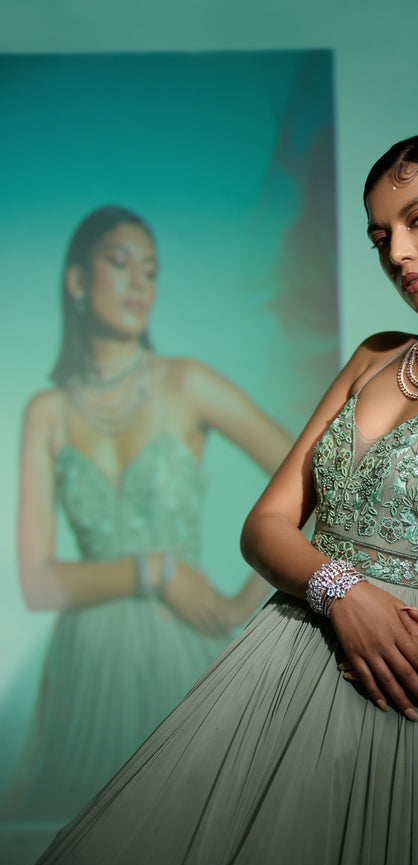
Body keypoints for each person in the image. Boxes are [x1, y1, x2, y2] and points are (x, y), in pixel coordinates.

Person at [14, 134, 418, 865]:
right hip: (281, 654)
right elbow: (264, 527)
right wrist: (341, 590)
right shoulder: (375, 356)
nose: (398, 252)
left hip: (414, 687)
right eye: (381, 236)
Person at [1, 206, 292, 825]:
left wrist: (247, 600)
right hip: (84, 664)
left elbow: (321, 477)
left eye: (152, 271)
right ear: (77, 282)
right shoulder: (46, 412)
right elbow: (38, 582)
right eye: (120, 262)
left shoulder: (186, 383)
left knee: (195, 834)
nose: (139, 283)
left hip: (184, 644)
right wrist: (156, 570)